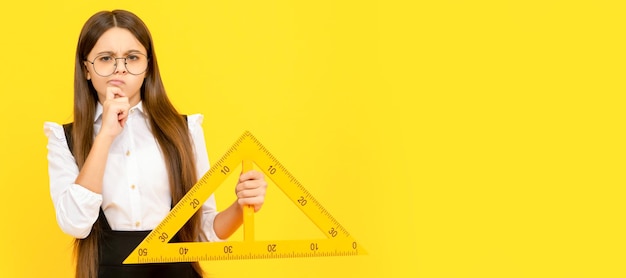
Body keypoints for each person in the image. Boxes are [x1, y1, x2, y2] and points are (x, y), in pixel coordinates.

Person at [43, 9, 268, 278]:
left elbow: (203, 231)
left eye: (132, 58)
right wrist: (105, 136)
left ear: (148, 66)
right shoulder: (63, 138)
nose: (120, 69)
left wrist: (242, 207)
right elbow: (75, 223)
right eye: (105, 59)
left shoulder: (184, 130)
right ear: (86, 69)